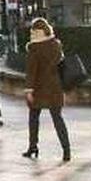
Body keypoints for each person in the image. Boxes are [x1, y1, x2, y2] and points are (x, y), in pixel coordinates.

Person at [23, 18, 71, 161]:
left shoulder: (34, 48)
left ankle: (33, 146)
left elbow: (32, 71)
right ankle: (66, 150)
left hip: (38, 87)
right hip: (55, 86)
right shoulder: (56, 45)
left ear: (35, 32)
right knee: (58, 119)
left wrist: (29, 90)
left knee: (33, 117)